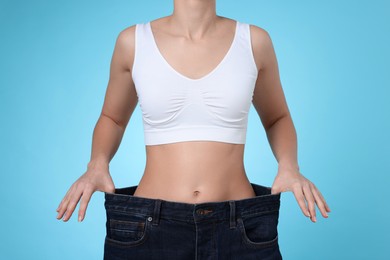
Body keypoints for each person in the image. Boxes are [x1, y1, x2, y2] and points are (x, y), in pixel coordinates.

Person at [56, 0, 331, 259]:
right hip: (149, 231)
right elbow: (112, 118)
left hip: (239, 230)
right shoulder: (133, 42)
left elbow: (277, 117)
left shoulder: (254, 42)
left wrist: (289, 166)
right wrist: (97, 164)